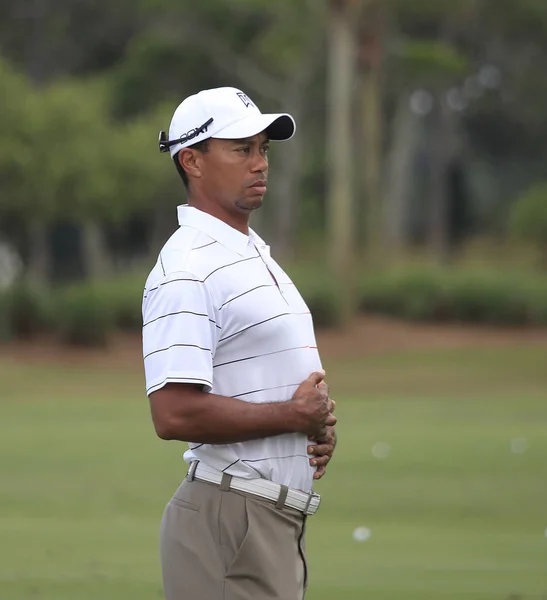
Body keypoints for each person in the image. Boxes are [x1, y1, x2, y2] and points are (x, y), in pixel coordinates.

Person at [141, 87, 338, 600]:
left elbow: (262, 384)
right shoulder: (187, 266)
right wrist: (293, 417)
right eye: (241, 149)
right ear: (192, 160)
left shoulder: (249, 253)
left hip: (268, 520)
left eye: (263, 150)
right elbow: (174, 414)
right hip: (229, 522)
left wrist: (311, 425)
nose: (260, 164)